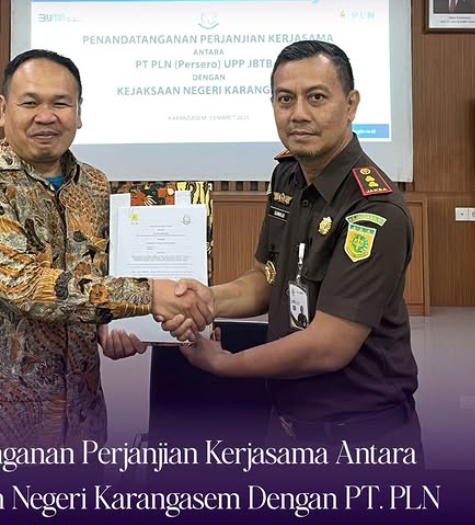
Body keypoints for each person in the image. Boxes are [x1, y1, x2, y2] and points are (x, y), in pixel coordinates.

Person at [0, 49, 213, 449]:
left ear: (78, 111)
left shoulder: (94, 185)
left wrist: (113, 325)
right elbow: (23, 284)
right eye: (30, 103)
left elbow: (103, 278)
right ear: (3, 110)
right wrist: (147, 296)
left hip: (80, 418)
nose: (46, 116)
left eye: (60, 103)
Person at [167, 40, 422, 455]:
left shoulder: (374, 209)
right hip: (285, 428)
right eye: (285, 99)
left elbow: (329, 346)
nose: (298, 113)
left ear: (351, 104)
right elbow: (266, 280)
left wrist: (226, 363)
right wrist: (206, 299)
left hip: (361, 443)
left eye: (316, 97)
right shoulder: (288, 176)